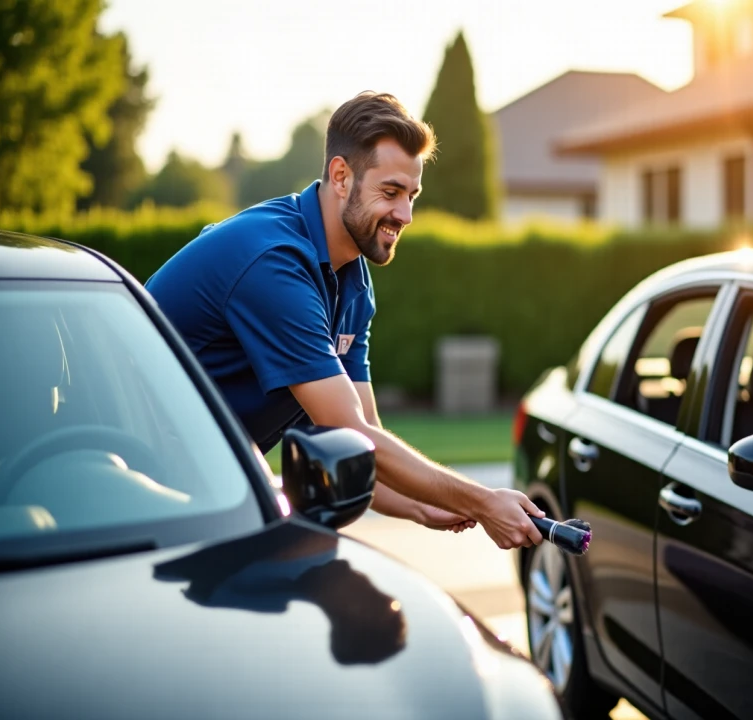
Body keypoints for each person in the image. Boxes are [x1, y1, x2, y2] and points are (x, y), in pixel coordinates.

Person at [146, 91, 543, 550]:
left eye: (411, 196)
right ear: (340, 176)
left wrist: (425, 504)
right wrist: (482, 501)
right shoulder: (274, 263)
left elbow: (362, 442)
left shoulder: (351, 279)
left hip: (202, 491)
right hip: (129, 485)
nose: (405, 215)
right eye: (390, 192)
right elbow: (349, 430)